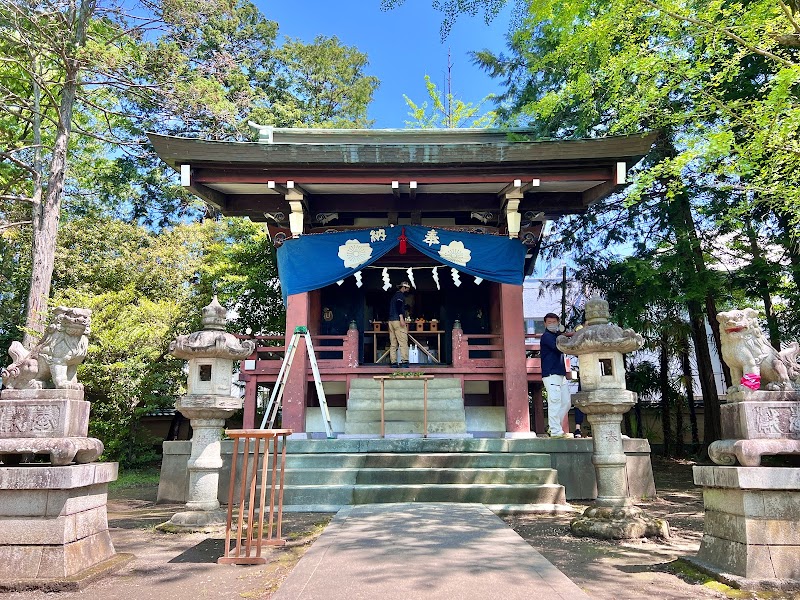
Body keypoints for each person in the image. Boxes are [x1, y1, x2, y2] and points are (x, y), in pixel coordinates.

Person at [540, 312, 574, 438]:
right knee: (555, 401)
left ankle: (553, 427)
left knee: (566, 402)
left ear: (558, 323)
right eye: (549, 322)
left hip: (560, 373)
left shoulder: (557, 335)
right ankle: (555, 431)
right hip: (550, 373)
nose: (552, 325)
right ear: (545, 324)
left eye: (554, 322)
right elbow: (559, 347)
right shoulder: (546, 337)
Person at [388, 281, 410, 367]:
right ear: (403, 288)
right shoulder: (400, 295)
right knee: (403, 341)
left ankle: (393, 362)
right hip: (397, 320)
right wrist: (401, 317)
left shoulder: (394, 296)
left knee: (393, 343)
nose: (408, 290)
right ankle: (404, 361)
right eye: (407, 288)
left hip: (391, 321)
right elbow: (398, 305)